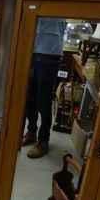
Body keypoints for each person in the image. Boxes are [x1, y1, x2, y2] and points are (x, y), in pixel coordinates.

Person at [22, 18, 66, 159]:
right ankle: (32, 132)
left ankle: (43, 141)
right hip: (33, 52)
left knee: (43, 102)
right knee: (30, 99)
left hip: (49, 55)